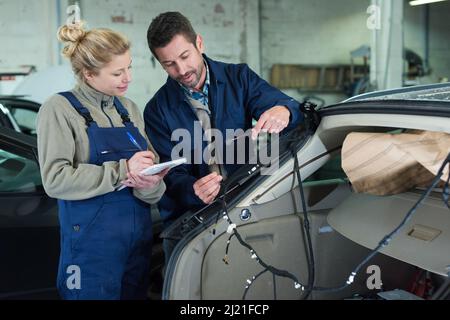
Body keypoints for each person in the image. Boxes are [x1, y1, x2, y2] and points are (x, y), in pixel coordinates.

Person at [144, 12, 303, 261]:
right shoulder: (156, 110)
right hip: (187, 222)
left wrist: (283, 110)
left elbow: (290, 107)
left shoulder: (239, 78)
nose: (182, 69)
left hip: (244, 205)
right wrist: (192, 189)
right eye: (169, 64)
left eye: (185, 56)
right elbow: (167, 174)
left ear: (199, 43)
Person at [36, 21, 167, 300]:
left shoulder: (128, 109)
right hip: (91, 249)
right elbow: (55, 179)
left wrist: (150, 180)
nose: (128, 78)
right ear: (88, 74)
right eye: (117, 72)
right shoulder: (59, 109)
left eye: (129, 67)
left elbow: (151, 186)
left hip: (137, 243)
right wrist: (122, 171)